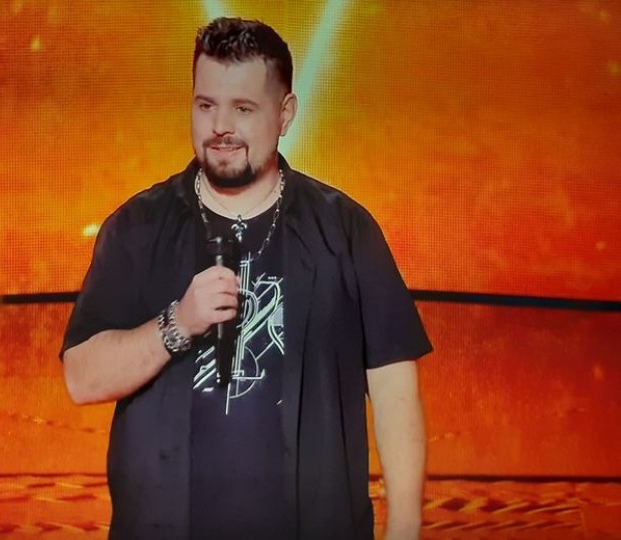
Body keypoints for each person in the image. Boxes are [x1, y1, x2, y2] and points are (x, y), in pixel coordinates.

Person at [61, 16, 432, 540]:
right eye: (205, 105)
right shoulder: (138, 228)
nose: (220, 127)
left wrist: (406, 528)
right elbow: (81, 378)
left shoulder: (345, 230)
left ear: (285, 114)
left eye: (242, 108)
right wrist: (177, 323)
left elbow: (394, 388)